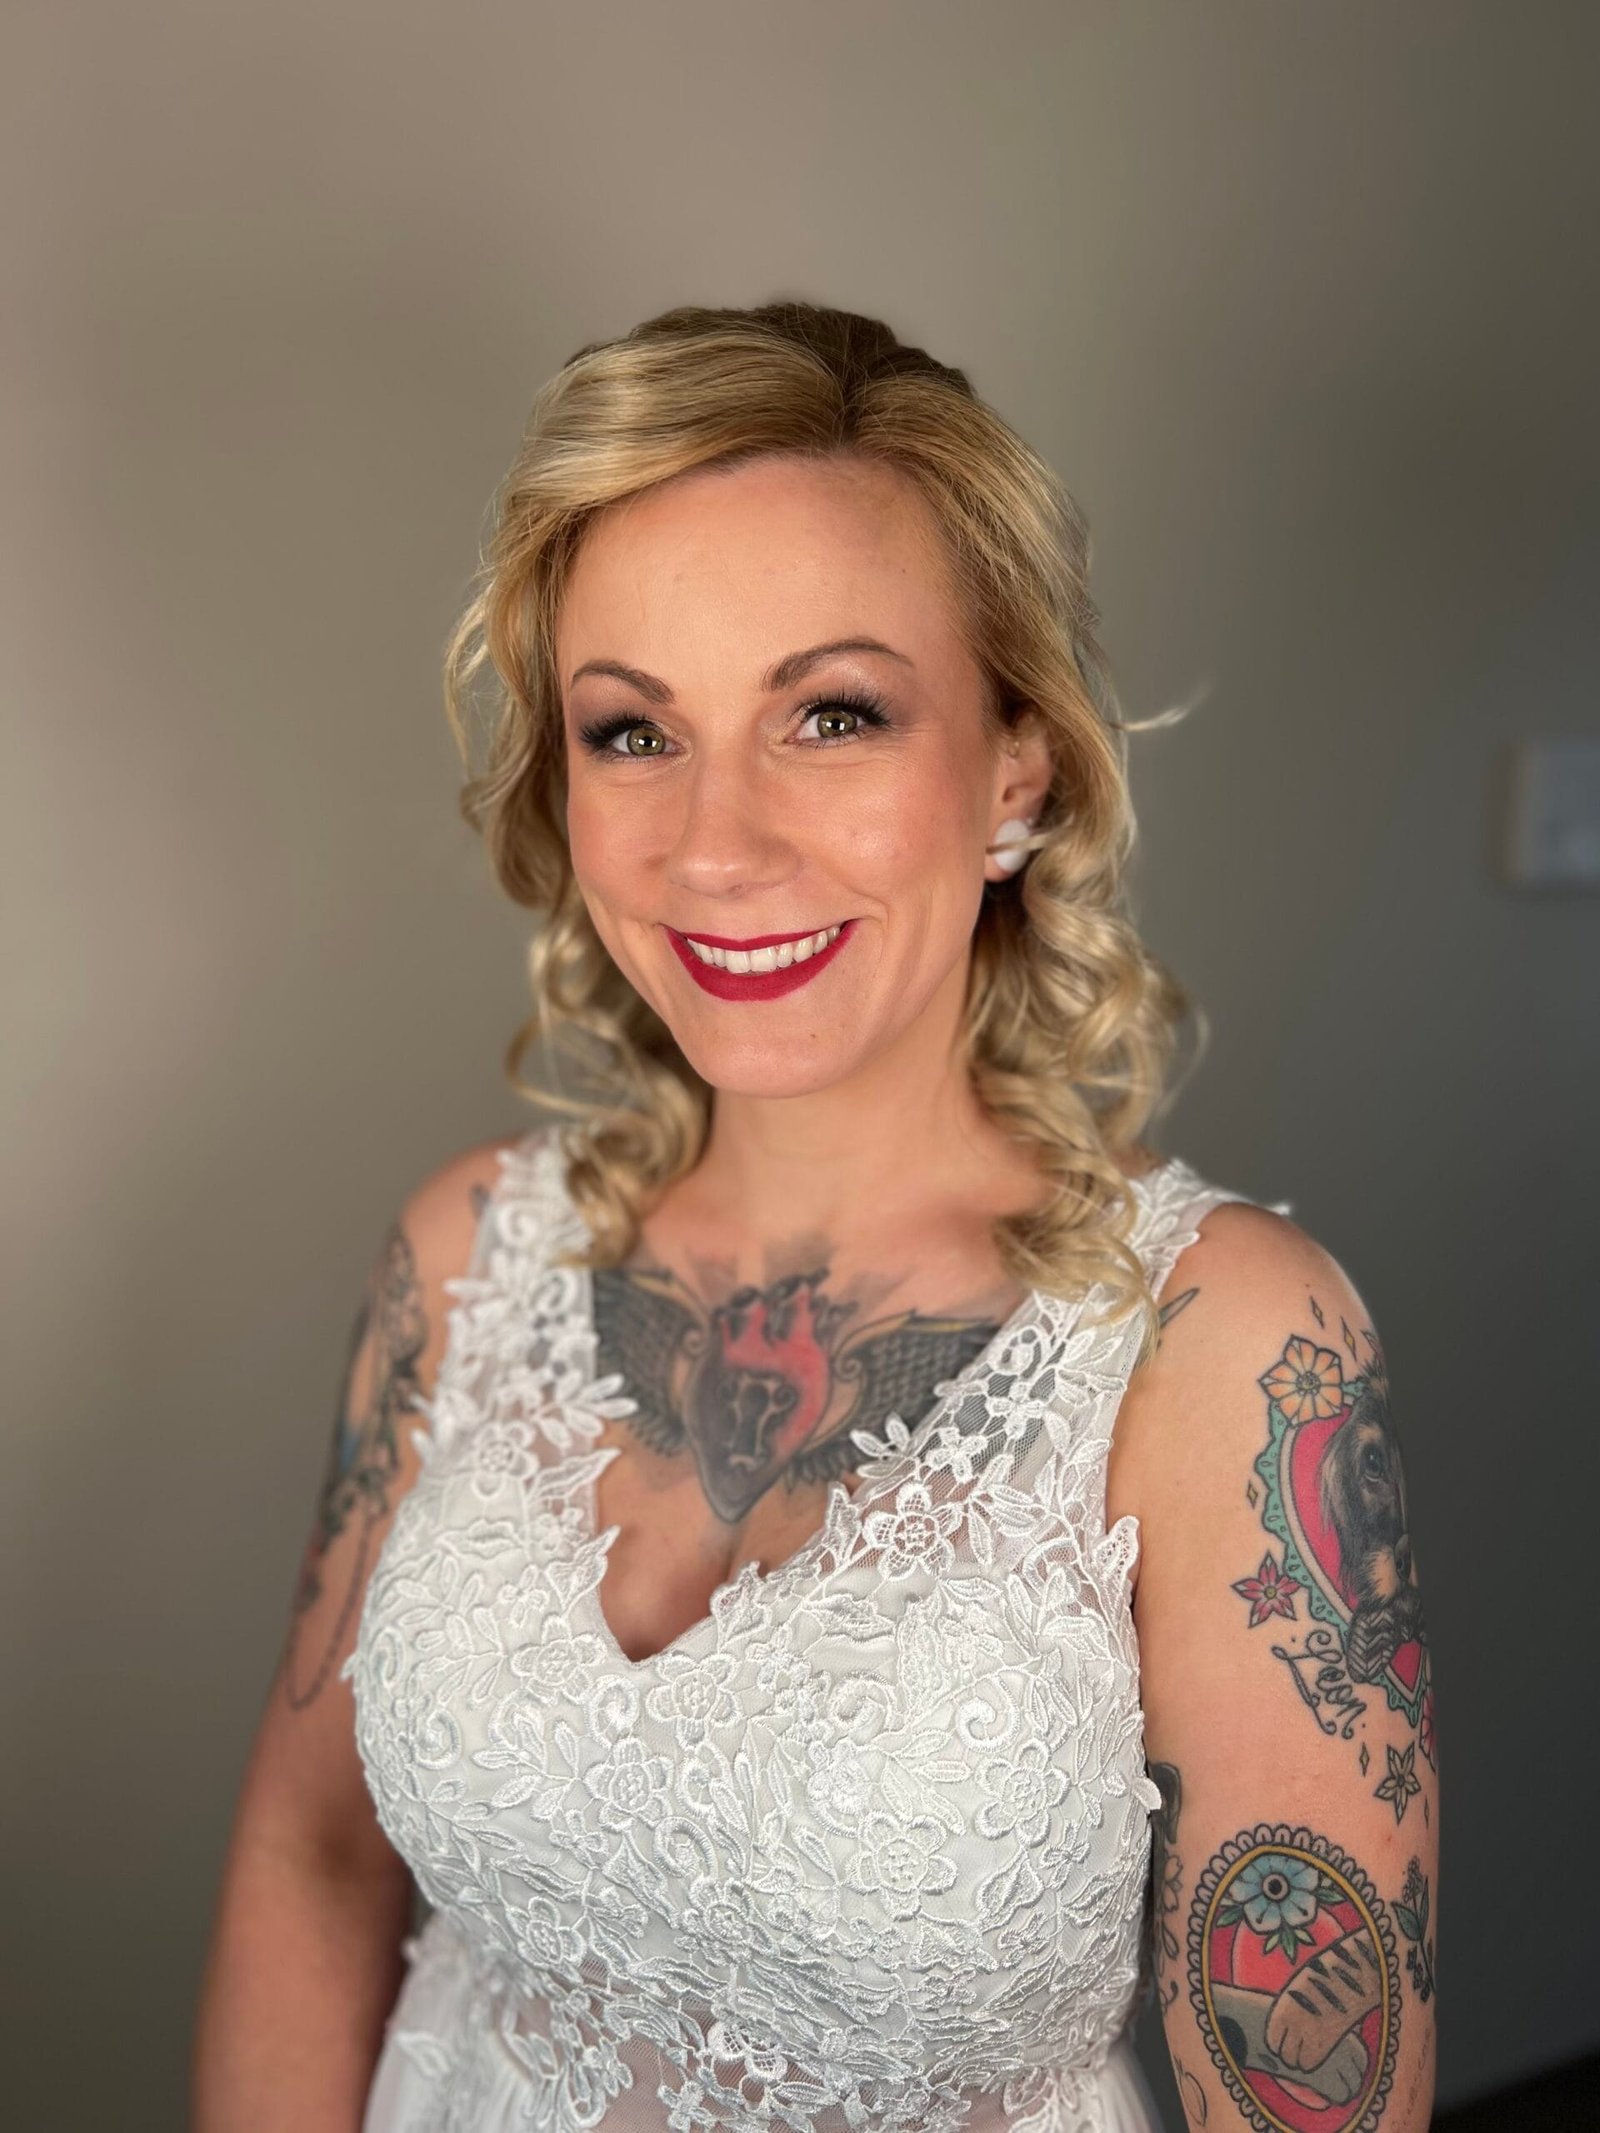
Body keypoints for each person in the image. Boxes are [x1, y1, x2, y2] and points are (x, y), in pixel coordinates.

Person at [192, 301, 1438, 2133]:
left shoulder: (1227, 1344)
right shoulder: (464, 1256)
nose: (715, 845)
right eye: (634, 731)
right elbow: (311, 1867)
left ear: (1015, 764)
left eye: (832, 714)